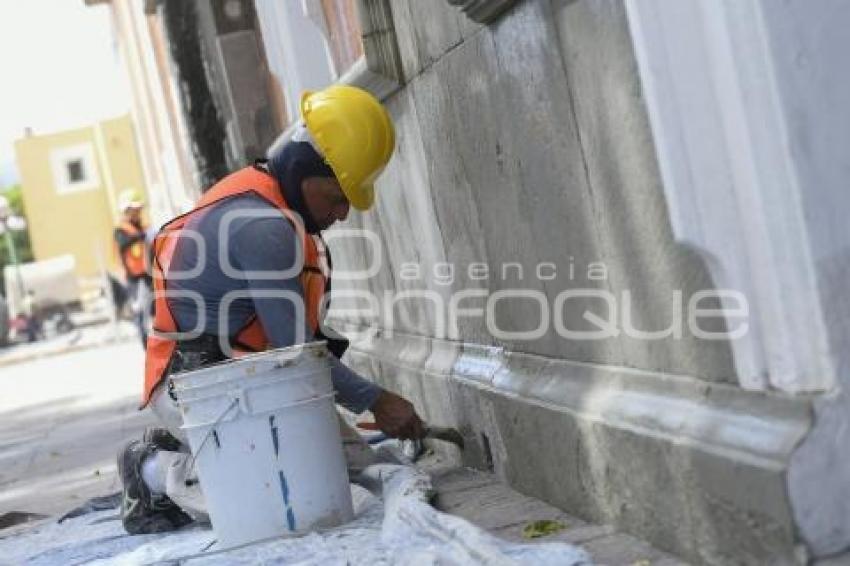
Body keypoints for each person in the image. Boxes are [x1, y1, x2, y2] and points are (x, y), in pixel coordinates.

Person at [117, 85, 425, 534]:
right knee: (282, 505)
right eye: (338, 197)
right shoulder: (263, 227)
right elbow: (298, 353)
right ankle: (150, 468)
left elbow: (296, 356)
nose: (342, 213)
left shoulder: (270, 201)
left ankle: (202, 450)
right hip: (196, 386)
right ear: (305, 172)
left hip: (246, 379)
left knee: (358, 471)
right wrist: (376, 400)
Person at [113, 190, 152, 346]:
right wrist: (140, 236)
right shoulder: (121, 230)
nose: (138, 212)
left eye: (139, 209)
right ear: (126, 211)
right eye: (134, 210)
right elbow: (123, 243)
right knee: (140, 310)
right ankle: (146, 344)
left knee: (159, 306)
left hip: (150, 273)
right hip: (133, 278)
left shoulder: (145, 227)